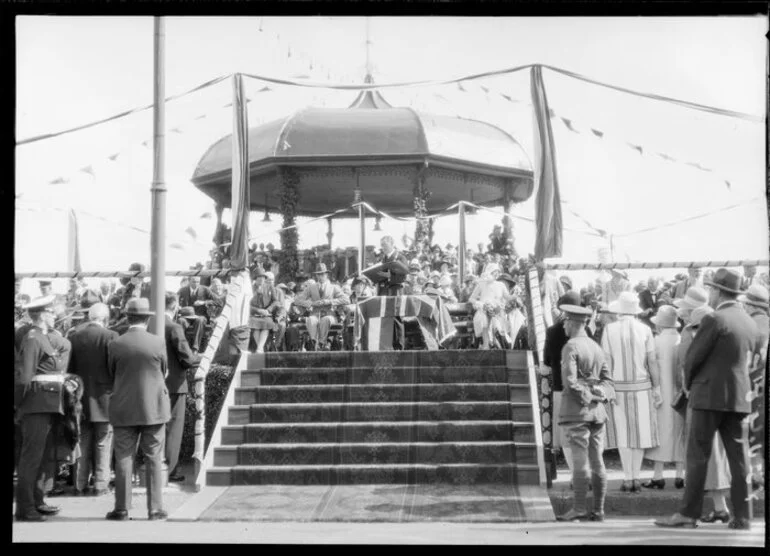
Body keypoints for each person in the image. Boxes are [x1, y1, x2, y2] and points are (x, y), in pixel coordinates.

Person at [656, 268, 760, 530]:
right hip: (738, 397)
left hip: (707, 396)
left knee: (697, 457)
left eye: (711, 290)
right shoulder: (749, 321)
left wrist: (689, 386)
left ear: (716, 291)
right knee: (739, 459)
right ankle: (743, 516)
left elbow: (692, 359)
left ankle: (689, 514)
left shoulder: (714, 319)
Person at [106, 297, 170, 521]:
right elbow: (164, 371)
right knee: (153, 456)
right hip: (153, 406)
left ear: (127, 317)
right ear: (147, 318)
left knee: (123, 456)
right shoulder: (158, 342)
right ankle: (155, 509)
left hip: (124, 407)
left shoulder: (115, 343)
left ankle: (121, 508)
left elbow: (111, 373)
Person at [14, 295, 72, 521]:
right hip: (35, 405)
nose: (55, 315)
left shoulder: (42, 337)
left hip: (46, 404)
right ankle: (25, 508)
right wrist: (19, 406)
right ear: (41, 314)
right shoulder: (33, 338)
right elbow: (24, 378)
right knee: (31, 458)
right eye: (51, 312)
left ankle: (37, 500)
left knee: (41, 457)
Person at [555, 304, 614, 522]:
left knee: (580, 460)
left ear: (572, 323)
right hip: (598, 412)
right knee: (597, 460)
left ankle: (579, 508)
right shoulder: (596, 346)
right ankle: (598, 510)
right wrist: (600, 395)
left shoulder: (570, 346)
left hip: (577, 411)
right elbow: (608, 381)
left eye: (565, 322)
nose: (563, 326)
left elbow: (569, 383)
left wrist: (586, 396)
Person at [601, 291, 662, 492]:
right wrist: (657, 387)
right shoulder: (645, 330)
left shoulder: (609, 330)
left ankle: (628, 478)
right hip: (642, 386)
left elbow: (606, 362)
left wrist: (606, 386)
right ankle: (636, 477)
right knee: (640, 434)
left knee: (623, 435)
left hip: (618, 386)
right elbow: (652, 361)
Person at [67, 302, 118, 496]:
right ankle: (101, 485)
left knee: (83, 442)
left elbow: (70, 372)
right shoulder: (111, 336)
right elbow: (114, 368)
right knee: (103, 442)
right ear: (105, 319)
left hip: (81, 399)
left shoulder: (74, 337)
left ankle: (80, 484)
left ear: (89, 317)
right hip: (104, 399)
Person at [150, 292, 200, 483]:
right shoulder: (174, 327)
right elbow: (187, 357)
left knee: (154, 427)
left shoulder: (149, 325)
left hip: (152, 383)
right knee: (173, 429)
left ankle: (154, 465)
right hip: (175, 385)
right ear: (175, 306)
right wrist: (198, 358)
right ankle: (169, 469)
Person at [542, 291, 589, 480]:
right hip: (584, 388)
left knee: (566, 436)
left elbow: (545, 363)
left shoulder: (552, 331)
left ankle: (574, 474)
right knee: (583, 434)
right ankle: (583, 472)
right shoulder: (588, 333)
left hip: (561, 388)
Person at [642, 305, 685, 489]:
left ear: (660, 324)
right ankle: (680, 475)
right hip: (681, 393)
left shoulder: (656, 341)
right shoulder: (682, 339)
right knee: (680, 432)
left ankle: (658, 475)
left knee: (661, 431)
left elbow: (649, 365)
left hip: (661, 392)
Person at [293, 264, 350, 351]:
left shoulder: (334, 287)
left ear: (327, 275)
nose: (320, 276)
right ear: (316, 275)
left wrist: (330, 302)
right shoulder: (311, 287)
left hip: (330, 314)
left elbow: (346, 299)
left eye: (322, 274)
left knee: (325, 320)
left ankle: (321, 343)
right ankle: (313, 342)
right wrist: (312, 303)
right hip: (315, 314)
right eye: (318, 274)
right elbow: (297, 300)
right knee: (311, 319)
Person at [468, 263, 511, 349]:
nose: (497, 274)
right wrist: (482, 305)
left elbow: (507, 298)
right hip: (483, 310)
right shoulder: (481, 284)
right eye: (495, 272)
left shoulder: (501, 285)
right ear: (490, 272)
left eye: (498, 272)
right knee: (483, 321)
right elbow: (471, 299)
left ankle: (498, 345)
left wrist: (501, 305)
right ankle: (486, 344)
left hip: (498, 312)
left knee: (498, 325)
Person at [248, 268, 282, 353]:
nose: (262, 279)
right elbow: (247, 305)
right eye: (259, 277)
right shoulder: (250, 288)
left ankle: (259, 348)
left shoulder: (269, 287)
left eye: (263, 277)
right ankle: (260, 349)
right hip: (254, 314)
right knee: (255, 325)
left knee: (267, 324)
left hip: (266, 314)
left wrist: (268, 310)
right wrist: (258, 310)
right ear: (255, 278)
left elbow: (276, 301)